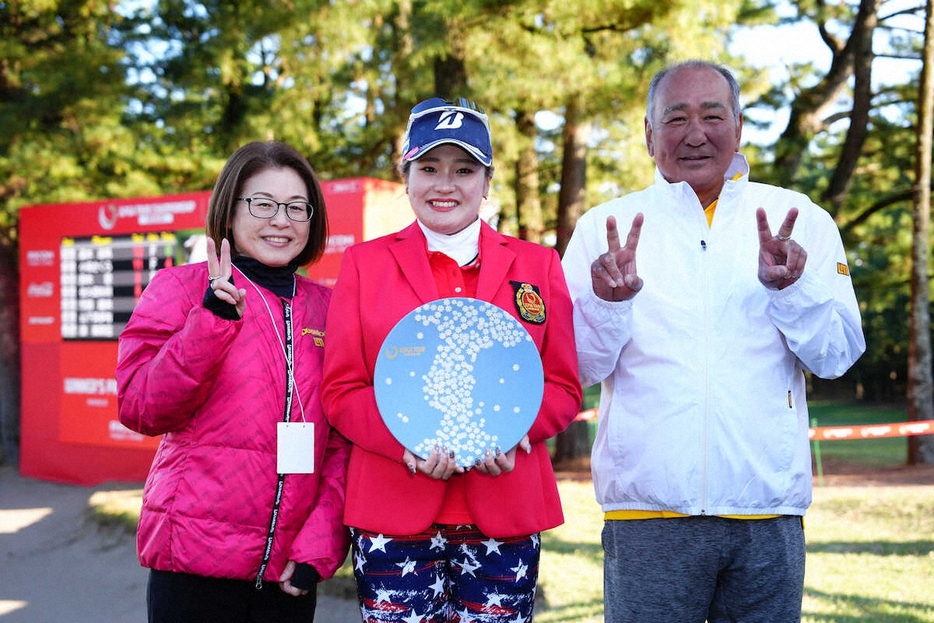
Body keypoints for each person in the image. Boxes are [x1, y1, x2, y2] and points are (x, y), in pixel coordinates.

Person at [561, 60, 866, 623]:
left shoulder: (802, 222)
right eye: (675, 117)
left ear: (740, 125)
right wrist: (608, 304)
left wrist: (793, 291)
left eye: (712, 115)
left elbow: (838, 357)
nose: (695, 133)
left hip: (766, 512)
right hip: (645, 515)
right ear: (649, 134)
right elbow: (576, 367)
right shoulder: (605, 229)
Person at [321, 97, 583, 622]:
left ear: (487, 183)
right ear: (407, 177)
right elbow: (342, 390)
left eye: (464, 169)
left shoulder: (538, 264)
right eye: (429, 168)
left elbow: (562, 385)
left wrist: (515, 430)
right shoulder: (364, 265)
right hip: (394, 512)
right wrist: (407, 445)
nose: (446, 184)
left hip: (503, 508)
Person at [116, 141, 351, 623]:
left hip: (286, 577)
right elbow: (142, 408)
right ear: (229, 212)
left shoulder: (329, 309)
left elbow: (340, 446)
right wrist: (210, 321)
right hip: (193, 567)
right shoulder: (180, 290)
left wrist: (319, 545)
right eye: (262, 204)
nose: (280, 220)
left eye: (295, 207)